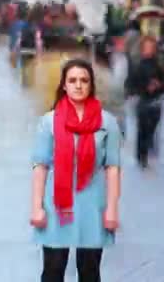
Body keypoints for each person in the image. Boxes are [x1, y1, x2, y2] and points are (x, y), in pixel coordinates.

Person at [30, 59, 121, 282]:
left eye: (84, 80)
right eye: (72, 80)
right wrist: (36, 208)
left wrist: (111, 209)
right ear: (64, 85)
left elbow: (112, 168)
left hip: (92, 205)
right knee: (53, 270)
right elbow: (40, 166)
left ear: (91, 85)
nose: (78, 85)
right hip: (57, 205)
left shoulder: (107, 123)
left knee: (90, 272)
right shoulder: (48, 122)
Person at [126, 36, 164, 169]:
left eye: (151, 47)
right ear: (142, 49)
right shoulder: (137, 64)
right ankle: (141, 155)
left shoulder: (158, 64)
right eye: (146, 47)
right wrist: (144, 87)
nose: (149, 50)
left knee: (152, 127)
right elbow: (131, 83)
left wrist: (158, 85)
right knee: (142, 127)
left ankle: (146, 148)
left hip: (155, 101)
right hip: (142, 99)